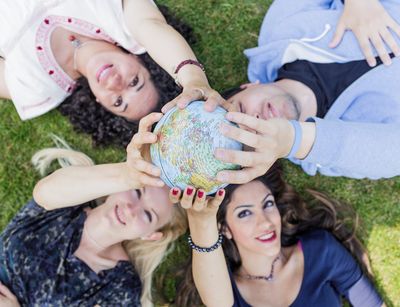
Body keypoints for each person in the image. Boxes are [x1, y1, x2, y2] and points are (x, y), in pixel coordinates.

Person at [0, 113, 186, 306]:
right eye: (138, 192)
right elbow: (43, 195)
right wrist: (126, 175)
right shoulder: (69, 203)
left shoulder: (119, 288)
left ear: (151, 235)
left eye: (148, 215)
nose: (132, 209)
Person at [213, 0, 400, 182]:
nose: (257, 121)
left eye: (242, 110)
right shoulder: (326, 155)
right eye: (253, 136)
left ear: (248, 86)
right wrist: (295, 140)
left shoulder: (282, 30)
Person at [0, 0, 223, 146]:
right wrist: (193, 79)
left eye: (118, 102)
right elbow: (153, 27)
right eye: (135, 81)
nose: (116, 84)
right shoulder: (124, 21)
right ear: (141, 59)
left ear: (99, 103)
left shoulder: (39, 89)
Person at [174, 163, 383, 307]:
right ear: (224, 229)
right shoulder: (227, 291)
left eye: (267, 204)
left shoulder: (320, 250)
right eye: (245, 213)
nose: (265, 222)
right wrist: (201, 221)